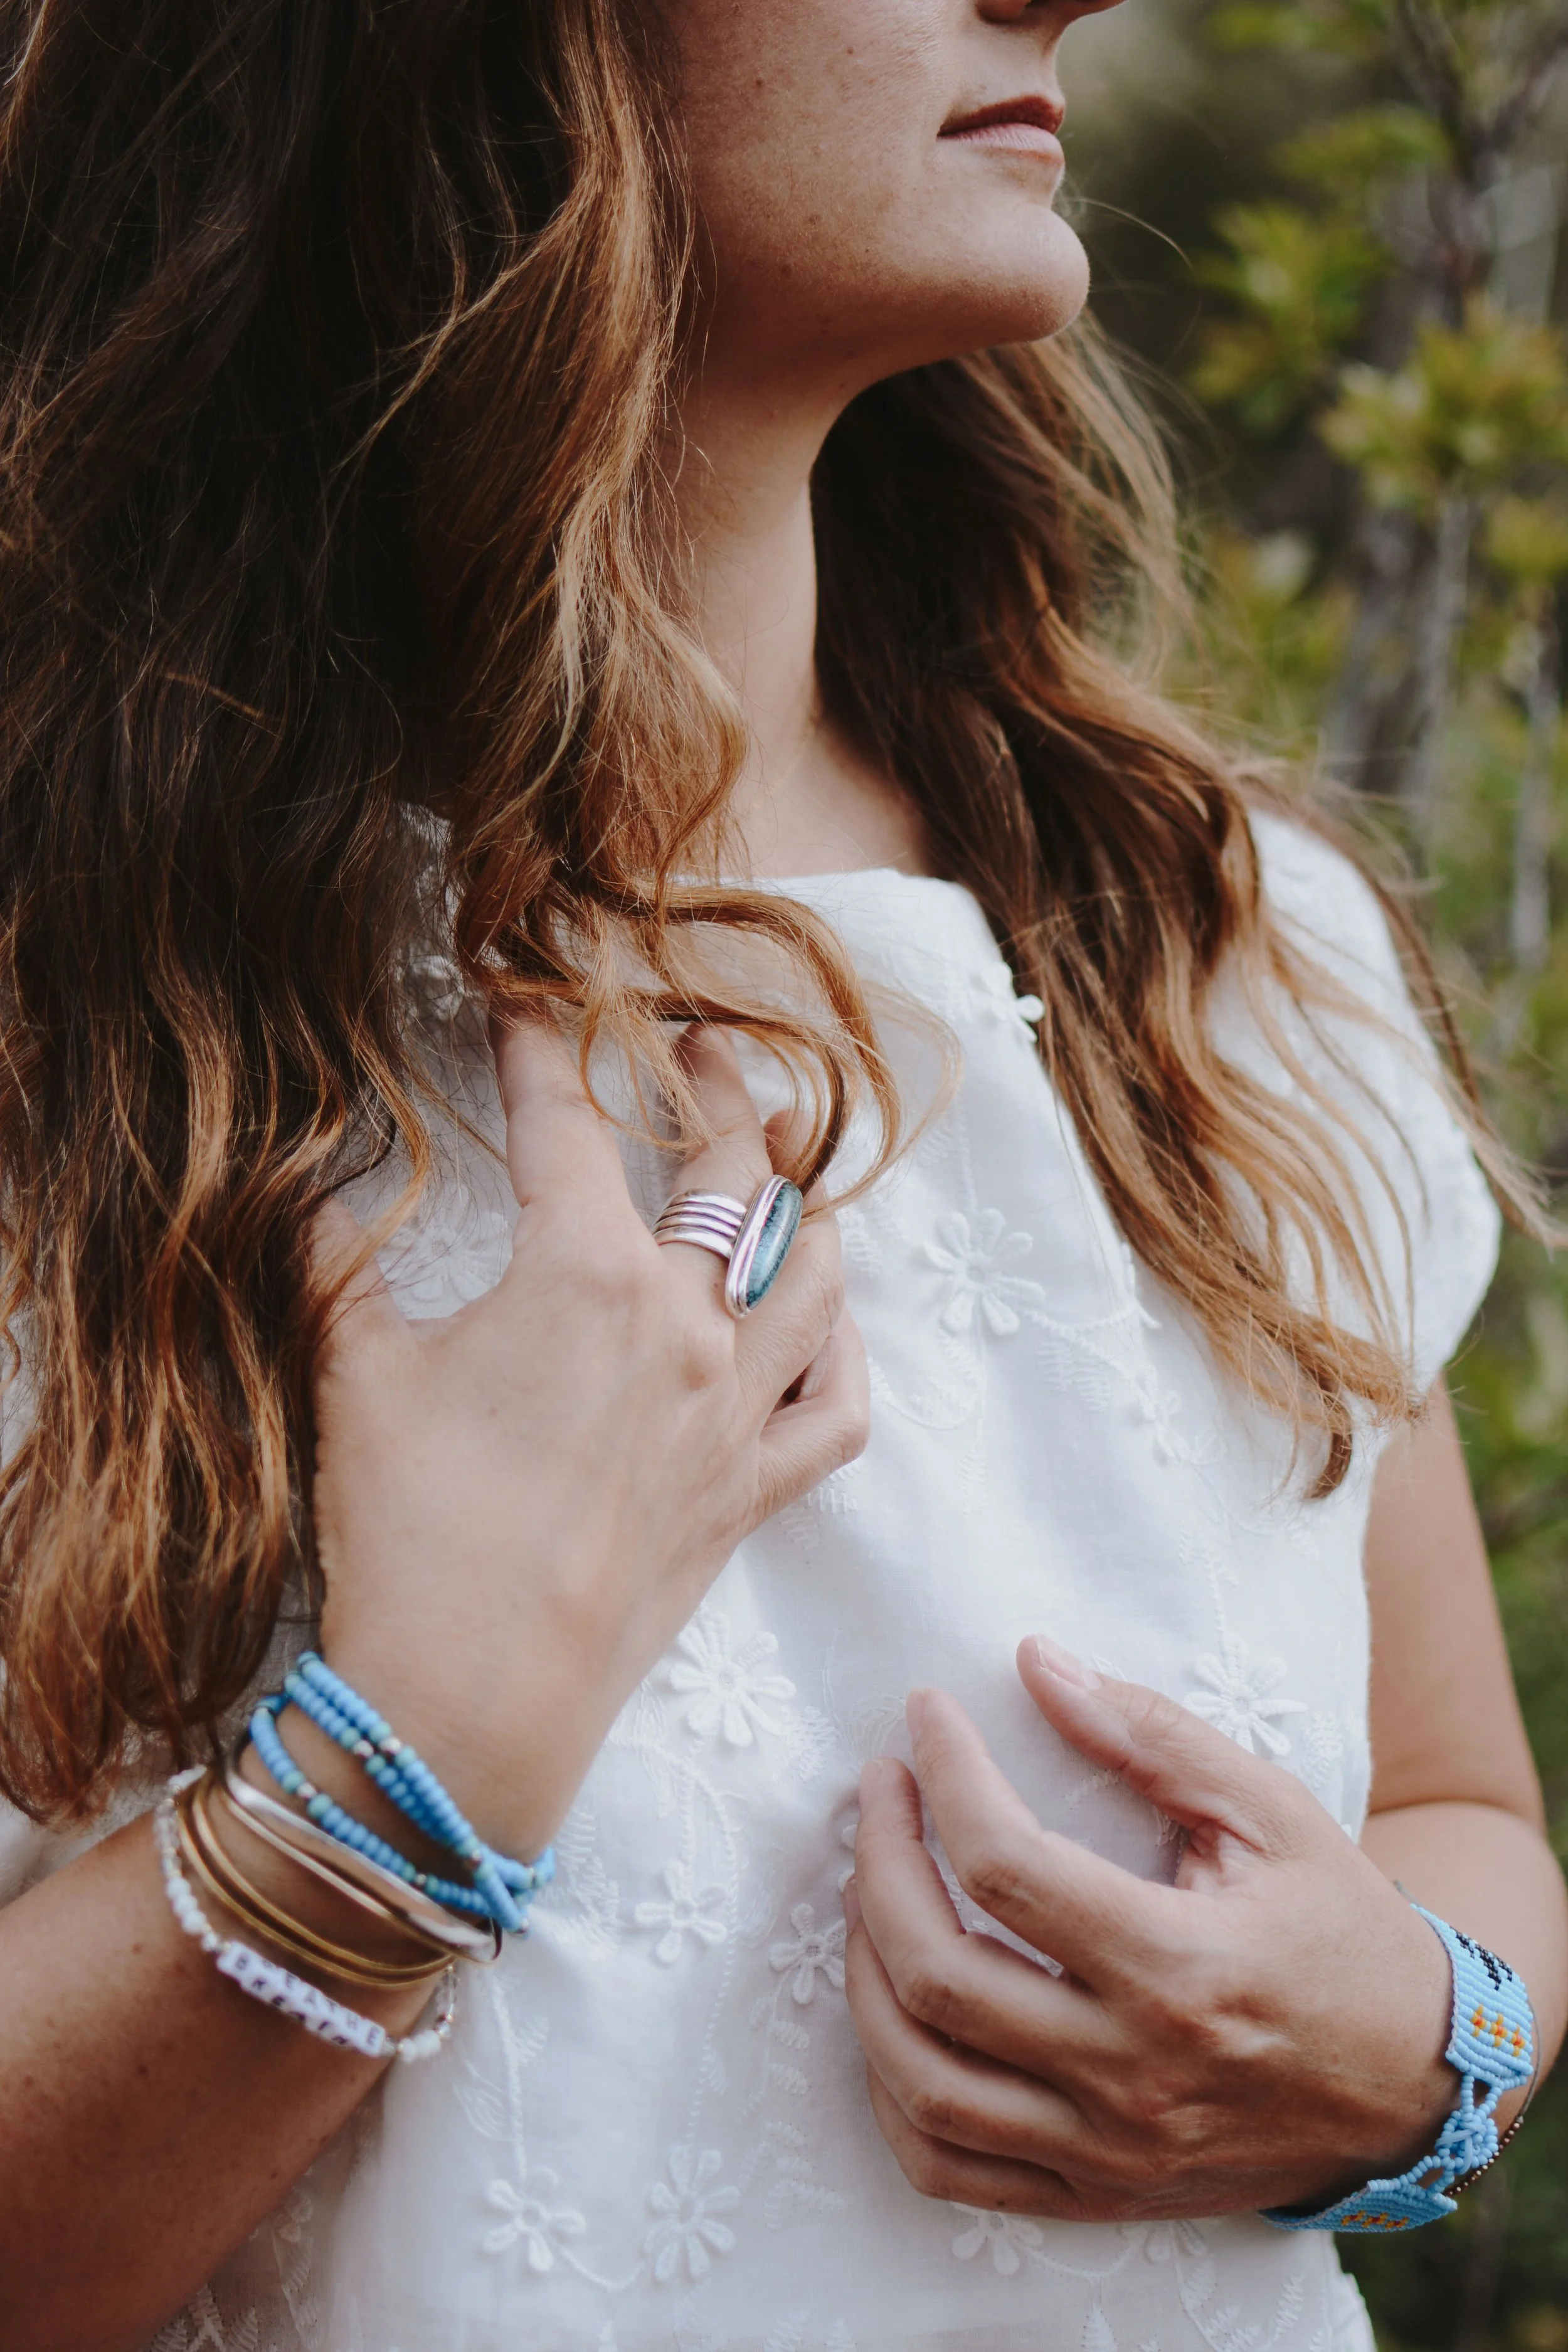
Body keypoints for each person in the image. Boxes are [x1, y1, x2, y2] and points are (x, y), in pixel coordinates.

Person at [0, 3, 1561, 2350]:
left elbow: (1460, 1804)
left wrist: (1409, 2047)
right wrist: (416, 1752)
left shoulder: (1218, 958)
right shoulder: (68, 1042)